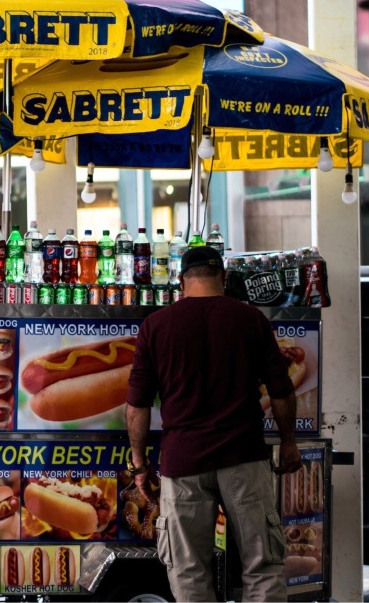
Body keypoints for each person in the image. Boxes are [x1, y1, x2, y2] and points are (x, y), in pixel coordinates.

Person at [125, 247, 302, 602]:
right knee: (262, 563)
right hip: (243, 456)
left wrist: (140, 464)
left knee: (188, 569)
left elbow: (137, 406)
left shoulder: (156, 327)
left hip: (183, 461)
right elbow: (281, 391)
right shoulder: (250, 319)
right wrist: (288, 441)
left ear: (180, 282)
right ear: (223, 278)